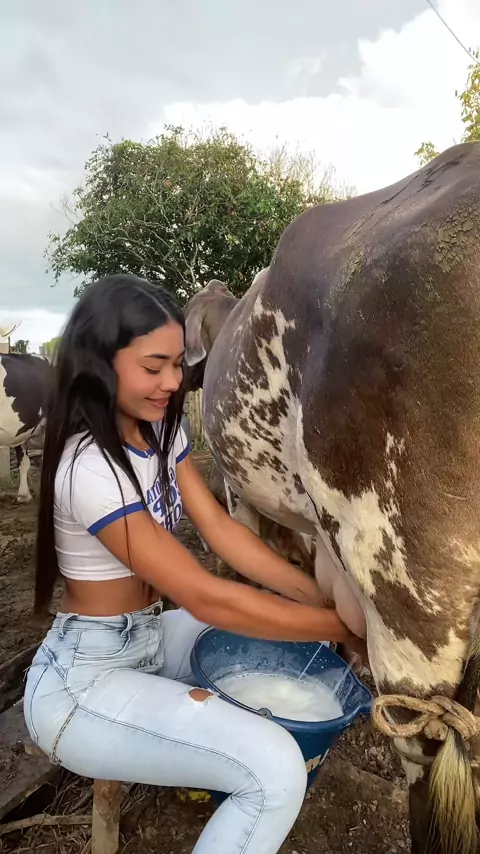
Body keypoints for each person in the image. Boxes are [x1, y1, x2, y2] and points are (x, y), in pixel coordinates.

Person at [25, 274, 361, 854]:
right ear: (100, 363)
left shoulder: (161, 433)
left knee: (273, 643)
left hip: (150, 635)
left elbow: (221, 529)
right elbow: (205, 596)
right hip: (84, 680)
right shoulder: (88, 468)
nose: (173, 382)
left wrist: (314, 596)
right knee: (275, 774)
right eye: (153, 367)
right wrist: (346, 627)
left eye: (179, 364)